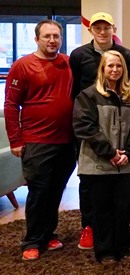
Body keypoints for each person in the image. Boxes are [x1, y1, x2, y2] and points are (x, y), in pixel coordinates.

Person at [4, 19, 76, 261]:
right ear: (37, 39)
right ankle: (32, 241)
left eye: (56, 36)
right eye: (47, 36)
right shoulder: (23, 66)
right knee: (38, 191)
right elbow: (11, 105)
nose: (52, 40)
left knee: (56, 190)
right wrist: (15, 139)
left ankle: (49, 233)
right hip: (37, 140)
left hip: (67, 141)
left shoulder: (67, 63)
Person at [70, 11, 130, 250]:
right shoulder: (78, 58)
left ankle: (120, 241)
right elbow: (82, 119)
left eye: (106, 27)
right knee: (94, 196)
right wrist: (108, 151)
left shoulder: (128, 61)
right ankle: (92, 232)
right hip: (95, 144)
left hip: (122, 153)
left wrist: (126, 151)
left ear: (113, 29)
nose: (115, 69)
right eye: (97, 27)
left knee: (122, 201)